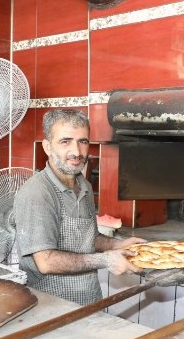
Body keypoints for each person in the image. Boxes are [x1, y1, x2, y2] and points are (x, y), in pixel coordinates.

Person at [13, 109, 145, 305]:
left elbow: (89, 239)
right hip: (51, 307)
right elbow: (45, 261)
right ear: (47, 147)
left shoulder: (84, 186)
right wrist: (105, 260)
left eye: (83, 141)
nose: (76, 152)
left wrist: (118, 245)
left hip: (88, 301)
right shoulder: (37, 193)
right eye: (65, 141)